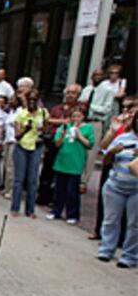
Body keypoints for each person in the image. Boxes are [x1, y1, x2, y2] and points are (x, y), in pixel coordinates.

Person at [97, 113, 137, 268]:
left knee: (134, 224)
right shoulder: (123, 138)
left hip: (136, 190)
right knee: (110, 220)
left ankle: (129, 256)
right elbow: (106, 161)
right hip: (115, 186)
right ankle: (106, 250)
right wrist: (112, 152)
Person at [47, 106, 94, 224]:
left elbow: (90, 144)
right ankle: (56, 211)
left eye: (78, 116)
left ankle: (72, 214)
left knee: (72, 191)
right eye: (73, 116)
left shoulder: (88, 128)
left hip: (76, 163)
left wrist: (80, 136)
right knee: (59, 190)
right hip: (62, 162)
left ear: (83, 117)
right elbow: (57, 144)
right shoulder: (65, 127)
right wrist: (62, 135)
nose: (76, 119)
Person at [38, 84, 82, 206]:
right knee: (47, 170)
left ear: (78, 95)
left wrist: (54, 121)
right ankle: (42, 196)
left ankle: (54, 199)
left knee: (60, 174)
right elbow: (47, 121)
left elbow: (70, 122)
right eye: (68, 92)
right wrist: (59, 121)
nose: (69, 95)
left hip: (67, 143)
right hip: (53, 140)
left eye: (73, 93)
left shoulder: (78, 109)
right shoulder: (57, 108)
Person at [11, 89, 49, 217]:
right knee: (19, 179)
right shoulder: (21, 114)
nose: (32, 102)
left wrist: (43, 130)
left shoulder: (43, 113)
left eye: (35, 99)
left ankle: (30, 210)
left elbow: (47, 128)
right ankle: (15, 208)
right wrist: (25, 129)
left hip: (36, 146)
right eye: (30, 100)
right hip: (22, 146)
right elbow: (17, 136)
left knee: (33, 180)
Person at [2, 93, 22, 198]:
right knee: (6, 165)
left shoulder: (20, 112)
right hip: (8, 140)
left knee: (11, 166)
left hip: (15, 141)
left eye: (12, 100)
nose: (10, 102)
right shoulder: (10, 112)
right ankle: (6, 187)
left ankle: (11, 190)